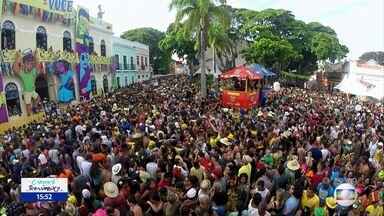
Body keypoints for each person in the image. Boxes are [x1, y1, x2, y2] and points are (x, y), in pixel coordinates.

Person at [13, 49, 44, 115]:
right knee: (28, 104)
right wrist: (18, 57)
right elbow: (15, 69)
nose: (30, 65)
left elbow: (37, 66)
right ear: (24, 64)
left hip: (33, 90)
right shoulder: (22, 73)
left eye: (31, 64)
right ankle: (29, 114)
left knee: (38, 98)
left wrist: (35, 56)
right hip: (26, 92)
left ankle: (34, 107)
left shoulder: (33, 71)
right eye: (28, 64)